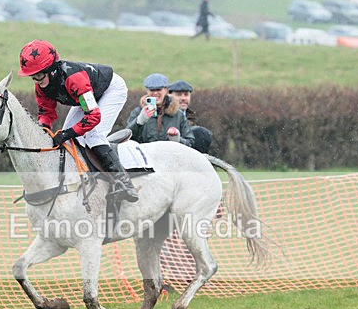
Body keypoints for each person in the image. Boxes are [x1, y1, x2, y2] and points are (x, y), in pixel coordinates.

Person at [18, 39, 139, 203]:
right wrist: (43, 131)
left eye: (39, 75)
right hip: (84, 96)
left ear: (52, 70)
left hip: (110, 90)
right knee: (69, 141)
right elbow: (46, 113)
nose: (37, 81)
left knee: (93, 135)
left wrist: (67, 133)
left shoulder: (73, 79)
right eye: (33, 77)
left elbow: (93, 116)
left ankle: (124, 184)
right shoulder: (42, 86)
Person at [126, 73, 194, 147]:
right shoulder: (138, 112)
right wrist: (138, 122)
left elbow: (190, 143)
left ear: (166, 90)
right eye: (152, 90)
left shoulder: (178, 115)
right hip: (146, 157)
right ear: (147, 91)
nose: (155, 93)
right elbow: (127, 140)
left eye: (159, 89)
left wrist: (177, 140)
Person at [168, 80, 213, 154]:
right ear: (169, 96)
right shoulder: (164, 115)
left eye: (186, 95)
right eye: (178, 95)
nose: (183, 98)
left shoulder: (193, 116)